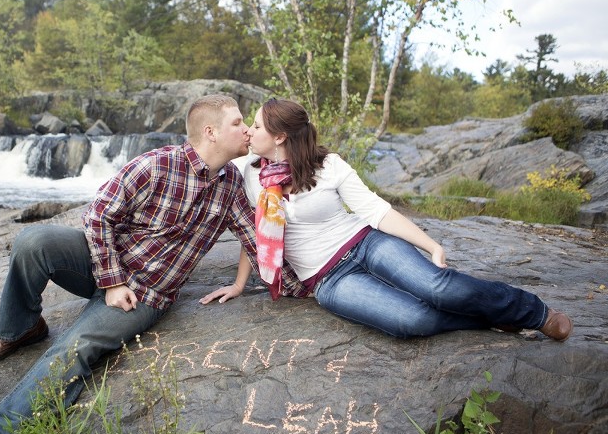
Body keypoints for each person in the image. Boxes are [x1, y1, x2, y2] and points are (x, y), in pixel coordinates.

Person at [0, 94, 307, 434]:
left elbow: (257, 241)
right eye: (238, 122)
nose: (248, 130)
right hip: (104, 266)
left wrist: (309, 286)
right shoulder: (156, 165)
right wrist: (112, 281)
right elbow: (98, 214)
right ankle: (19, 329)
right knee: (33, 242)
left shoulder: (231, 185)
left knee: (74, 347)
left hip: (146, 294)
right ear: (211, 132)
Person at [200, 98, 574, 343]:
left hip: (366, 244)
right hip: (327, 280)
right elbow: (255, 233)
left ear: (280, 136)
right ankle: (489, 318)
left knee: (438, 288)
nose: (249, 131)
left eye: (256, 126)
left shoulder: (328, 166)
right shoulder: (247, 172)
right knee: (411, 321)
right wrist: (239, 284)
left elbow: (376, 211)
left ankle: (535, 312)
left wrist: (431, 245)